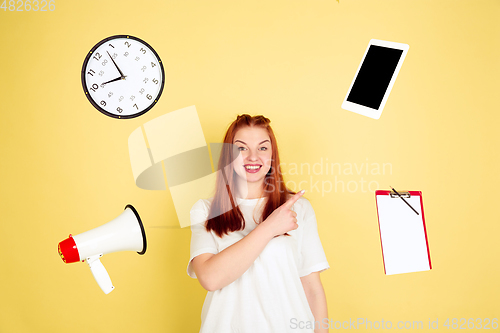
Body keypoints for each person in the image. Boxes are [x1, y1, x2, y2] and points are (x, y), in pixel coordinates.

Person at [186, 114, 330, 333]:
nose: (253, 157)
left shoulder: (299, 209)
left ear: (272, 155)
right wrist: (269, 228)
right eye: (241, 149)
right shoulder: (205, 210)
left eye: (262, 148)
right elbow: (210, 279)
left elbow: (312, 288)